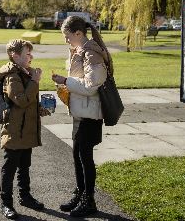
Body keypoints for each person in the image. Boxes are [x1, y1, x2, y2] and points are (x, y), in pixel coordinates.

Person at [51, 15, 113, 217]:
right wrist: (64, 84)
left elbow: (91, 85)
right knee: (77, 156)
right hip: (81, 112)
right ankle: (80, 194)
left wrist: (65, 81)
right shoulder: (80, 50)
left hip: (90, 114)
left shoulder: (91, 53)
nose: (66, 40)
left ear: (78, 33)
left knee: (85, 157)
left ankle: (89, 200)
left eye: (68, 36)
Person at [0, 39, 51, 219]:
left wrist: (40, 109)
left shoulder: (24, 72)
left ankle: (25, 196)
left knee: (25, 166)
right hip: (14, 131)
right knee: (9, 168)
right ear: (15, 56)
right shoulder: (12, 76)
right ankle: (6, 203)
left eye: (31, 53)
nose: (31, 56)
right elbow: (22, 100)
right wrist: (35, 81)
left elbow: (29, 103)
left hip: (26, 130)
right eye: (27, 54)